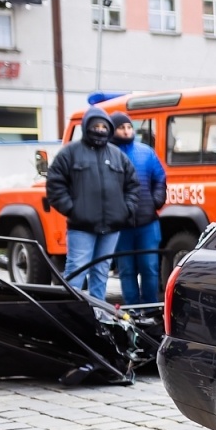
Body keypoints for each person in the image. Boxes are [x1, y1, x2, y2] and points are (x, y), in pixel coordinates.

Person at [45, 106, 138, 301]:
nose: (100, 129)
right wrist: (72, 209)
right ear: (86, 126)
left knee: (101, 272)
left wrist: (126, 210)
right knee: (75, 271)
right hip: (81, 227)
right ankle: (69, 312)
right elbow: (54, 184)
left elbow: (133, 185)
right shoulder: (69, 153)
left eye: (104, 126)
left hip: (112, 227)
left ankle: (98, 313)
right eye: (95, 125)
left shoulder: (117, 155)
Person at [109, 111, 167, 305]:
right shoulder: (107, 153)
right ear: (113, 130)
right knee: (126, 270)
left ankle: (149, 306)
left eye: (128, 127)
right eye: (121, 128)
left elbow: (160, 178)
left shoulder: (146, 152)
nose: (126, 131)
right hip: (120, 225)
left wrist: (156, 201)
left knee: (149, 267)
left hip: (147, 223)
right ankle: (132, 309)